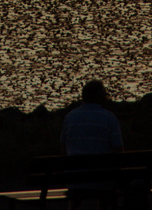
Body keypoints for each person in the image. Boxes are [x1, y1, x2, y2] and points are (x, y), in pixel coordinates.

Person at [61, 80, 125, 208]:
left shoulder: (70, 117)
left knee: (75, 192)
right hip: (103, 181)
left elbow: (63, 149)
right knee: (109, 186)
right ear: (100, 97)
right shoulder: (109, 118)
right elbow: (118, 151)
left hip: (75, 181)